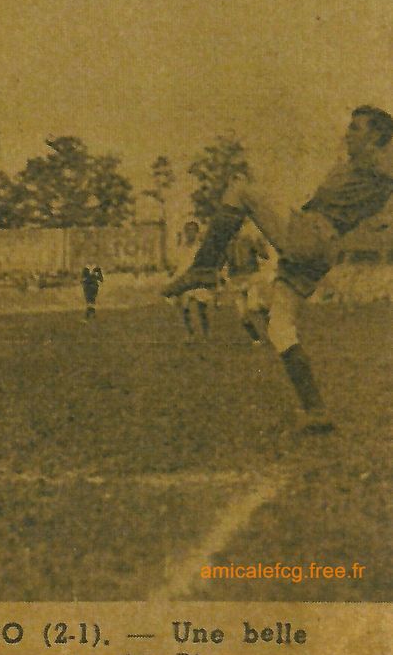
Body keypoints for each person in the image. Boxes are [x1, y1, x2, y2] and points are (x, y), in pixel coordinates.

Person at [164, 105, 393, 432]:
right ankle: (316, 412)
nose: (347, 134)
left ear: (377, 137)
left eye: (356, 129)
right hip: (319, 248)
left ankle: (204, 267)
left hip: (311, 236)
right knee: (280, 328)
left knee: (240, 189)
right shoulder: (354, 168)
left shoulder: (377, 167)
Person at [224, 222, 276, 345]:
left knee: (254, 307)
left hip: (251, 276)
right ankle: (256, 339)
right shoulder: (226, 244)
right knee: (242, 315)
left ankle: (272, 329)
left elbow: (265, 255)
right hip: (235, 279)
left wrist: (259, 244)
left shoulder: (248, 239)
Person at [171, 221, 212, 341]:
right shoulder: (180, 249)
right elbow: (178, 266)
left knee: (201, 310)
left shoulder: (201, 248)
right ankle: (190, 334)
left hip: (199, 281)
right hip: (185, 281)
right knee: (184, 308)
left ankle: (206, 334)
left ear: (197, 233)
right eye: (187, 231)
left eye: (192, 231)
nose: (190, 233)